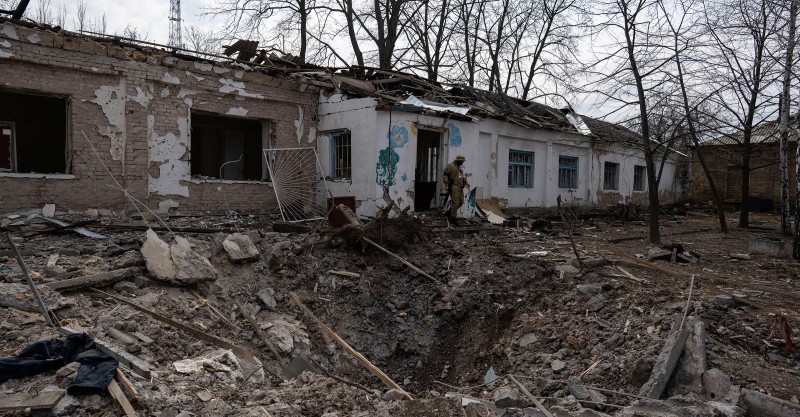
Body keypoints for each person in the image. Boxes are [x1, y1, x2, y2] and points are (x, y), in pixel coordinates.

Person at [443, 155, 469, 224]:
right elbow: (445, 175)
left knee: (461, 202)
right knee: (455, 202)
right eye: (462, 161)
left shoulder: (459, 168)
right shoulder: (450, 166)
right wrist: (446, 185)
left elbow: (463, 177)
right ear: (458, 161)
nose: (462, 163)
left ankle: (449, 212)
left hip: (460, 187)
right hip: (454, 186)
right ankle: (453, 217)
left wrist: (466, 182)